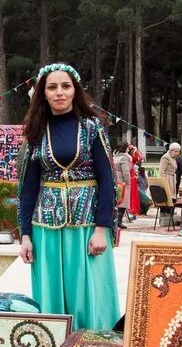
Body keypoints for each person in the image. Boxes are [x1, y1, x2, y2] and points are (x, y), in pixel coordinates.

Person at [17, 63, 119, 332]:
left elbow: (107, 179)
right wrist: (25, 235)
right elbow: (28, 187)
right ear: (43, 93)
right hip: (46, 226)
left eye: (66, 86)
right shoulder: (36, 130)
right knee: (50, 294)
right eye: (52, 87)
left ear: (75, 91)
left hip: (86, 226)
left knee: (87, 292)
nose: (59, 92)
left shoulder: (91, 127)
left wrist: (102, 229)